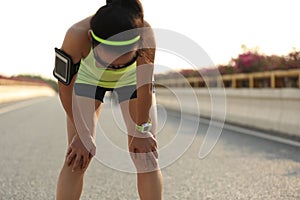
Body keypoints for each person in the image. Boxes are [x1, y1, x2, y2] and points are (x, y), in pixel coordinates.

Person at [55, 0, 163, 199]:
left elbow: (145, 87)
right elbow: (64, 87)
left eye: (121, 62)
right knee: (78, 156)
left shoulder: (145, 35)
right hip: (89, 81)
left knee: (146, 157)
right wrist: (82, 133)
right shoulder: (76, 35)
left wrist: (142, 129)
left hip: (132, 82)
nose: (113, 68)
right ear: (90, 39)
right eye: (106, 62)